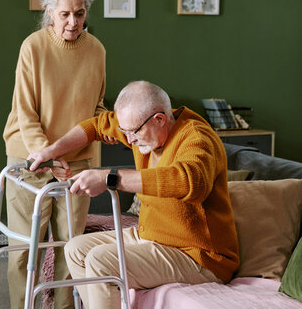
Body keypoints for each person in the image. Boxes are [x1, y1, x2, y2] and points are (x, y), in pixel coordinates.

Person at [28, 80, 240, 309]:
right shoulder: (142, 127)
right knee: (75, 249)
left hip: (198, 255)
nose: (129, 141)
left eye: (133, 133)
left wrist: (110, 178)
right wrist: (50, 151)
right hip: (154, 235)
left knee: (100, 261)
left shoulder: (197, 138)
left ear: (159, 119)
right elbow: (96, 126)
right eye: (123, 132)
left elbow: (188, 181)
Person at [2, 0, 107, 308]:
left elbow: (97, 108)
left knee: (70, 246)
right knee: (24, 247)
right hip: (31, 158)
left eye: (79, 13)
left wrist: (115, 125)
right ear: (49, 11)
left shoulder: (97, 50)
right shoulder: (33, 47)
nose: (73, 22)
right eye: (64, 14)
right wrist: (47, 156)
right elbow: (25, 112)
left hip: (77, 161)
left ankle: (63, 306)